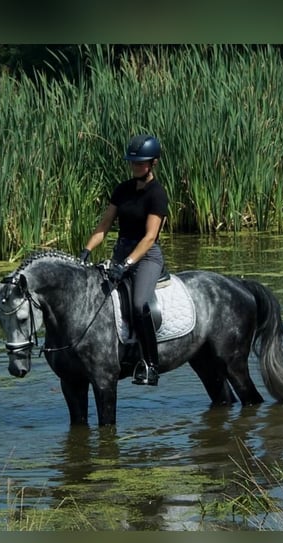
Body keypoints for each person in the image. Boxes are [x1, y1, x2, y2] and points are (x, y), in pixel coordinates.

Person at [78, 134, 169, 386]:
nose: (135, 167)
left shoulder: (157, 194)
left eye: (140, 163)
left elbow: (150, 238)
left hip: (146, 257)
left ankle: (151, 365)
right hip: (120, 254)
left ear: (153, 163)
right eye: (133, 163)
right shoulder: (122, 190)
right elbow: (104, 225)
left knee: (139, 304)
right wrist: (85, 252)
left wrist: (127, 264)